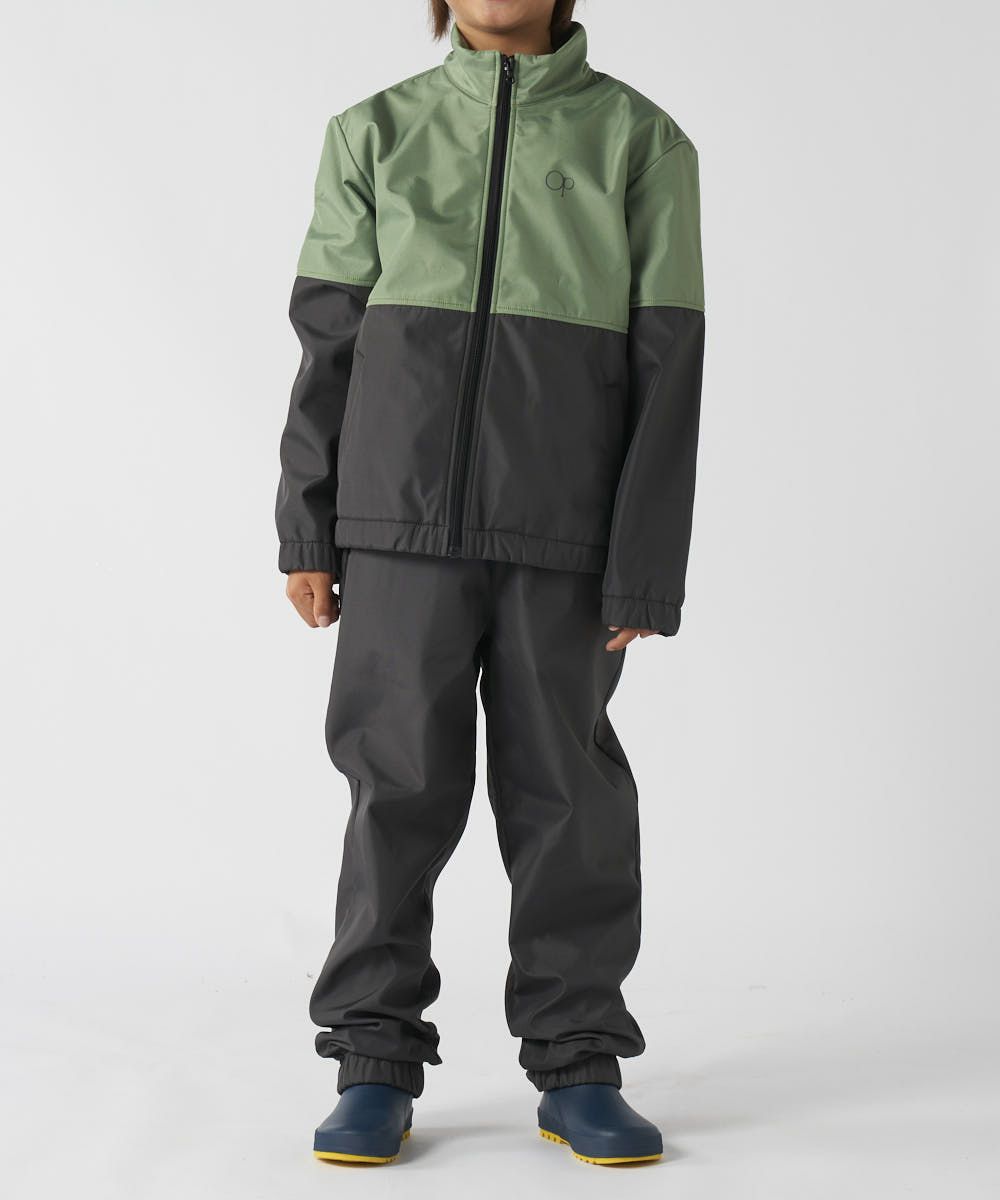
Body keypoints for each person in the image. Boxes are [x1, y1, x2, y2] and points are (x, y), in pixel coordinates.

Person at [276, 0, 705, 1168]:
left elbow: (669, 358)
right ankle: (372, 1061)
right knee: (394, 784)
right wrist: (308, 519)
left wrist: (643, 560)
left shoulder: (641, 142)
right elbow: (327, 338)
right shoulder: (373, 133)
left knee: (567, 796)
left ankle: (579, 1062)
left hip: (565, 531)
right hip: (395, 520)